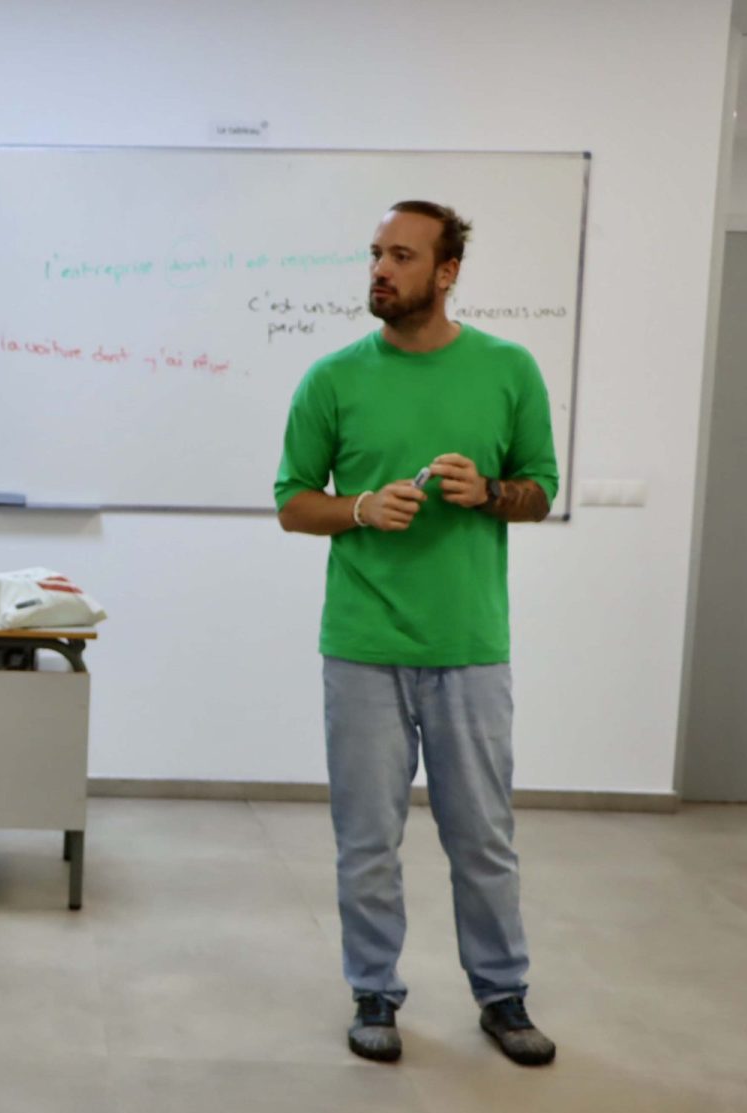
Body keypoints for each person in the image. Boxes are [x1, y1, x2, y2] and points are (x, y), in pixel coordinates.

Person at [274, 200, 560, 1067]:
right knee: (367, 842)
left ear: (447, 272)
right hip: (362, 645)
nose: (380, 270)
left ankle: (502, 995)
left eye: (401, 255)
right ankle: (374, 992)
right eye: (376, 254)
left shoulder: (508, 369)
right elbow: (293, 503)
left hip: (469, 646)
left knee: (482, 839)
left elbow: (540, 490)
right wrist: (360, 508)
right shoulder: (332, 379)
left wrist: (490, 493)